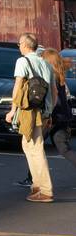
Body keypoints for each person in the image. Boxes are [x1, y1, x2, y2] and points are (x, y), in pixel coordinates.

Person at [5, 32, 55, 201]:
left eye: (19, 43)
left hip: (29, 111)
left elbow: (18, 88)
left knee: (36, 148)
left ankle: (46, 190)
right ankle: (36, 185)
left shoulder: (22, 61)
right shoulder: (46, 64)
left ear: (26, 45)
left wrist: (12, 111)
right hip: (43, 111)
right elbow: (53, 92)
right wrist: (49, 111)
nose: (19, 46)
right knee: (29, 146)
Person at [41, 49, 76, 178]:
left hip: (53, 117)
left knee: (36, 148)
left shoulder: (51, 77)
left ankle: (33, 178)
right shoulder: (59, 75)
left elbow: (54, 99)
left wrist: (48, 114)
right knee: (64, 149)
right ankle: (31, 177)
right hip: (62, 117)